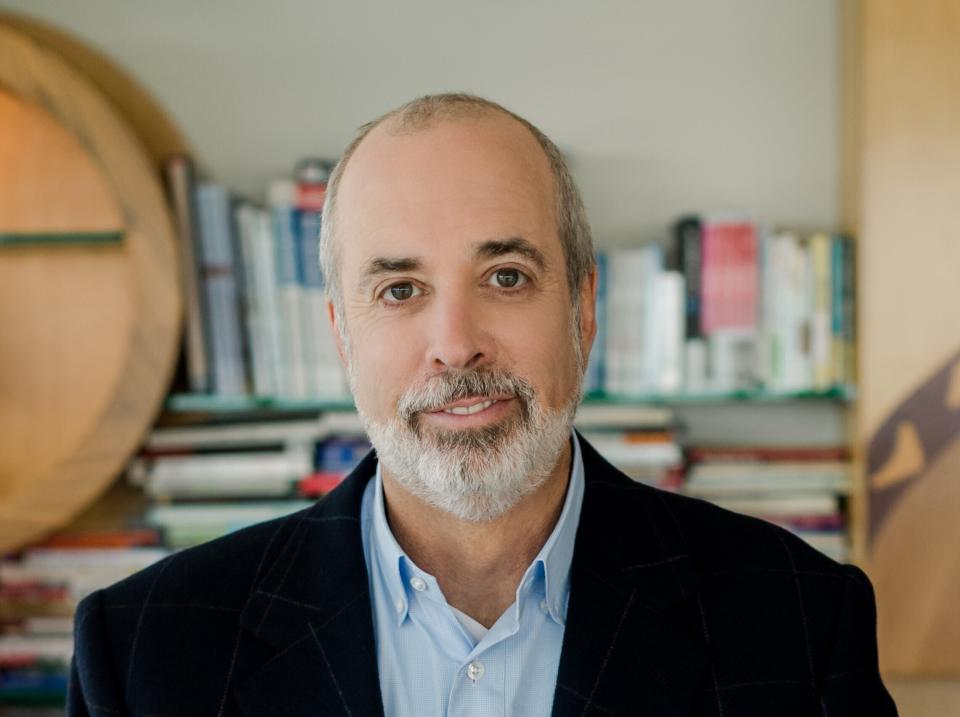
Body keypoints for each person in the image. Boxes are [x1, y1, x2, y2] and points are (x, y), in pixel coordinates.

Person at [68, 93, 898, 716]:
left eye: (505, 277)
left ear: (583, 308)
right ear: (340, 335)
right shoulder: (143, 652)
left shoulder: (799, 623)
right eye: (399, 288)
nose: (455, 343)